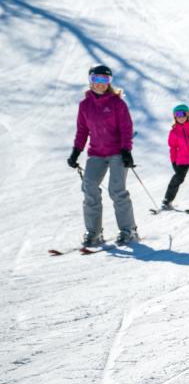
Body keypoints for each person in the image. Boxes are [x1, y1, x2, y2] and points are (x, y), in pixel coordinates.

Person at [67, 64, 139, 247]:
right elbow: (82, 130)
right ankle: (94, 232)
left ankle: (128, 230)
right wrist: (76, 152)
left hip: (117, 152)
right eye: (96, 79)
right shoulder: (85, 105)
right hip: (97, 152)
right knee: (89, 187)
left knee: (116, 190)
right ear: (90, 81)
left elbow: (126, 128)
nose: (100, 83)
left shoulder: (117, 103)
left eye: (104, 79)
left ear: (109, 82)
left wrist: (126, 151)